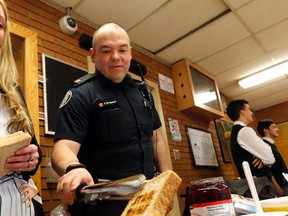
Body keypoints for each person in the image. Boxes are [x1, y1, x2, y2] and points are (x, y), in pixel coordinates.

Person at [52, 23, 171, 216]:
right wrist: (73, 168)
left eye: (122, 50)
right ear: (93, 55)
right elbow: (63, 147)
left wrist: (166, 183)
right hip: (104, 203)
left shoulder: (143, 92)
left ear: (130, 53)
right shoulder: (81, 94)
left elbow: (156, 138)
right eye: (106, 50)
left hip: (148, 196)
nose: (116, 57)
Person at [0, 0, 44, 215]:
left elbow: (34, 150)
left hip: (23, 201)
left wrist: (32, 159)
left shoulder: (12, 89)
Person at [226, 100, 275, 179]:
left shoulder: (235, 132)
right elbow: (270, 158)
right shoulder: (245, 131)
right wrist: (262, 157)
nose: (251, 113)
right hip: (261, 184)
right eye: (248, 109)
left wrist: (261, 157)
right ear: (242, 112)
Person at [257, 119, 288, 196]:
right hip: (280, 187)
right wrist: (278, 189)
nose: (277, 129)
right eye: (274, 127)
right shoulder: (264, 145)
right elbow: (266, 171)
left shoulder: (271, 145)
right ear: (266, 130)